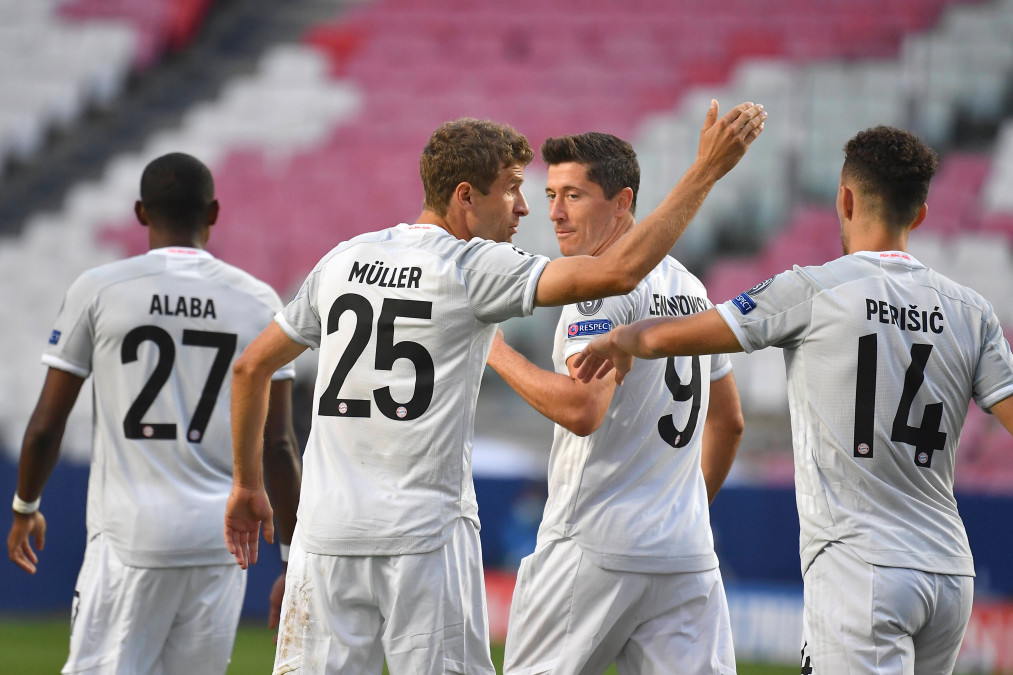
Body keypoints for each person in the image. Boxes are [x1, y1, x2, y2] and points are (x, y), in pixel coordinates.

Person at [225, 100, 766, 675]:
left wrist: (246, 484)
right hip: (427, 534)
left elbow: (250, 368)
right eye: (513, 188)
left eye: (562, 195)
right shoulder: (474, 269)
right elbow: (617, 273)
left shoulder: (342, 260)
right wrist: (706, 169)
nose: (528, 208)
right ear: (466, 196)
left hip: (327, 533)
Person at [574, 126, 1013, 674]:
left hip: (862, 567)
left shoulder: (813, 288)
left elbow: (690, 331)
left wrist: (624, 337)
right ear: (920, 214)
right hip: (949, 573)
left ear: (845, 199)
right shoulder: (972, 310)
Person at [6, 153, 301, 673]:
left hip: (128, 537)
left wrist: (26, 504)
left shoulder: (99, 288)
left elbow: (47, 424)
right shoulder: (257, 300)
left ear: (142, 213)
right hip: (220, 543)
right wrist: (291, 564)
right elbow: (278, 444)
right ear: (213, 213)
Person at [485, 131, 744, 675]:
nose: (554, 212)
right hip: (685, 553)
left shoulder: (601, 288)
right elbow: (730, 422)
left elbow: (583, 409)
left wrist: (495, 352)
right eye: (551, 194)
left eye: (573, 195)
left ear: (623, 202)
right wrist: (681, 508)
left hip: (595, 544)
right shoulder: (692, 288)